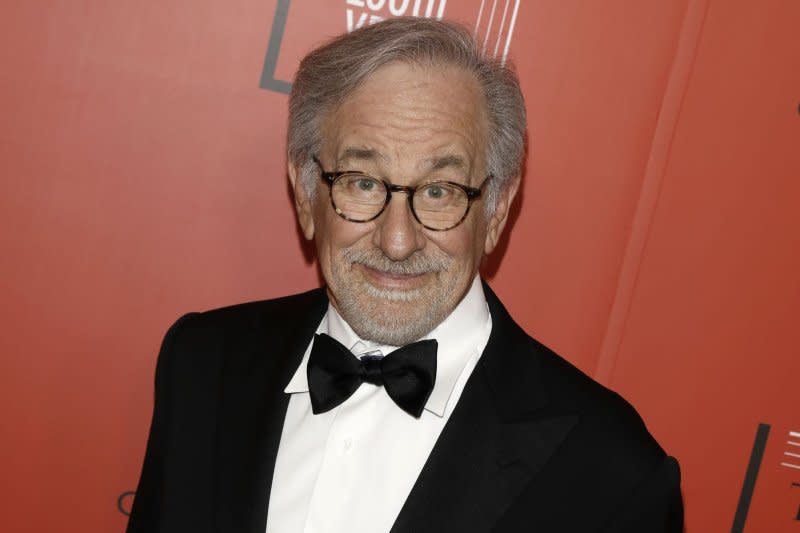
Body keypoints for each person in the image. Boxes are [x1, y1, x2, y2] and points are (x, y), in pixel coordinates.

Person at [127, 17, 683, 533]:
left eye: (440, 191)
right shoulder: (200, 365)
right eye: (363, 182)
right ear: (304, 192)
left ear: (497, 209)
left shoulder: (613, 475)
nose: (397, 242)